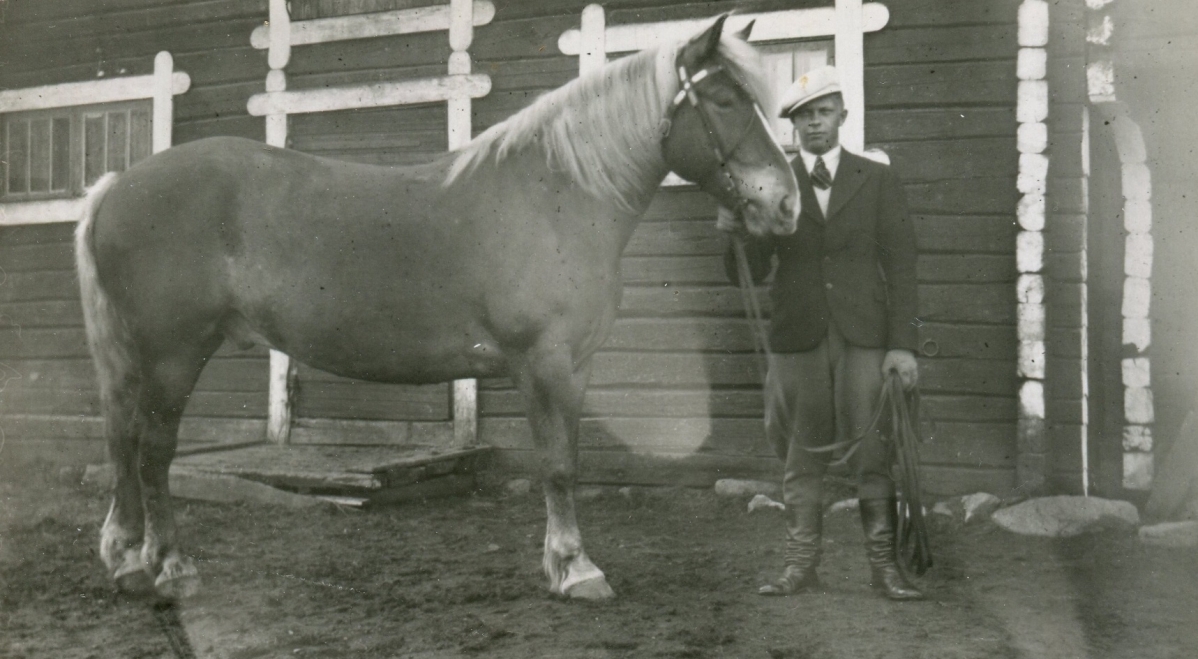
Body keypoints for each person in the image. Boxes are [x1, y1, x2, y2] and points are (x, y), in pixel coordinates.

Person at [719, 65, 923, 600]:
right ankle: (799, 567)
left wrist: (902, 345)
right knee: (802, 453)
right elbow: (750, 269)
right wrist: (738, 230)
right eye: (804, 115)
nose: (814, 123)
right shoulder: (772, 184)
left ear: (842, 116)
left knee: (872, 453)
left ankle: (885, 569)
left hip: (863, 338)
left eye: (824, 112)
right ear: (792, 125)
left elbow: (902, 265)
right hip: (799, 337)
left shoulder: (876, 179)